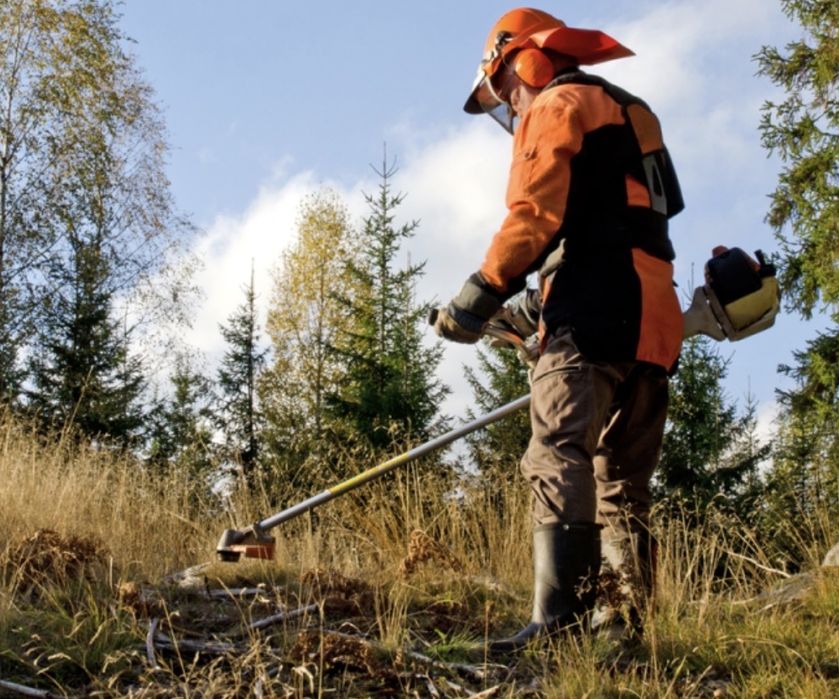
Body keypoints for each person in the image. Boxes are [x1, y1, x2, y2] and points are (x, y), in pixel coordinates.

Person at [433, 7, 684, 651]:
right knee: (621, 479)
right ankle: (623, 631)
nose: (510, 108)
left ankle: (559, 624)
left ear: (525, 61)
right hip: (655, 317)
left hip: (594, 304)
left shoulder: (556, 103)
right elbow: (627, 215)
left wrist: (478, 295)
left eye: (505, 90)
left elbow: (534, 215)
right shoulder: (633, 109)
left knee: (555, 452)